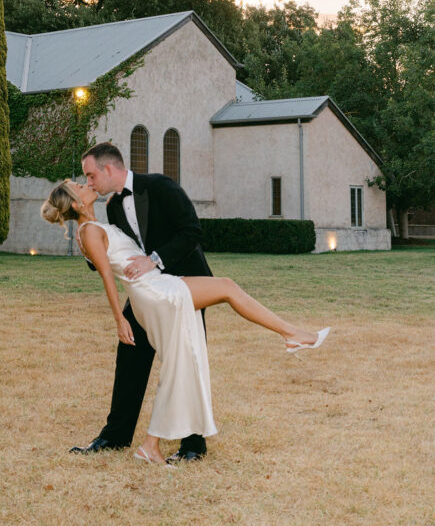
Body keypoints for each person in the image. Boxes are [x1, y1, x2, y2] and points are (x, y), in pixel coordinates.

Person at [41, 166, 330, 466]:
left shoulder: (100, 221)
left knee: (182, 362)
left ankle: (153, 445)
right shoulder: (89, 231)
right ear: (77, 203)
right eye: (80, 184)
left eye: (88, 177)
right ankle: (291, 334)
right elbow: (106, 276)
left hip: (156, 286)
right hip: (155, 293)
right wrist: (119, 319)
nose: (87, 184)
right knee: (225, 292)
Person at [76, 141, 216, 463]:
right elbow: (102, 255)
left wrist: (154, 259)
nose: (89, 183)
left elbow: (192, 232)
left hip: (186, 288)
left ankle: (193, 443)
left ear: (108, 169)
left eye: (91, 176)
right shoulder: (111, 207)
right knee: (129, 357)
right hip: (148, 294)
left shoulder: (161, 186)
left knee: (187, 358)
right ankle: (115, 436)